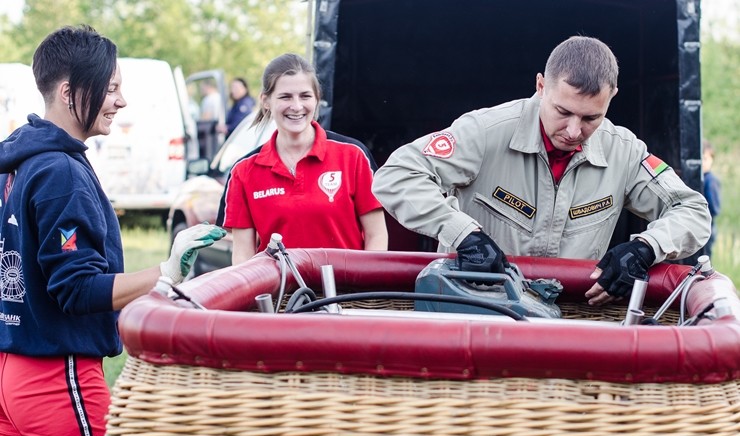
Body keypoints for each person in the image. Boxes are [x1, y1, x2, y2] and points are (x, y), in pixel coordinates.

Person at [0, 25, 225, 436]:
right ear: (68, 91)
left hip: (10, 370)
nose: (120, 101)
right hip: (57, 374)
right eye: (111, 86)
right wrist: (166, 271)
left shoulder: (19, 160)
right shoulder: (59, 170)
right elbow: (76, 288)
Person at [372, 36, 710, 306]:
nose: (574, 130)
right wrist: (464, 235)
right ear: (540, 86)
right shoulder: (486, 130)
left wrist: (646, 248)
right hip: (472, 310)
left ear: (613, 98)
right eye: (563, 111)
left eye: (592, 117)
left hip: (571, 317)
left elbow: (693, 211)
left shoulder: (624, 150)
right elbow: (396, 175)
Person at [217, 53, 388, 263]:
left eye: (305, 96)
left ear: (317, 99)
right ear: (266, 101)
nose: (297, 106)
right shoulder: (243, 171)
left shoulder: (353, 156)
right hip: (279, 295)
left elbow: (377, 235)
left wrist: (363, 291)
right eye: (285, 97)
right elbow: (243, 255)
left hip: (346, 294)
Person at [702, 140, 721, 258]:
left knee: (706, 256)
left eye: (706, 159)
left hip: (709, 226)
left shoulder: (710, 180)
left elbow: (715, 207)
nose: (703, 162)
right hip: (704, 226)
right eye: (701, 158)